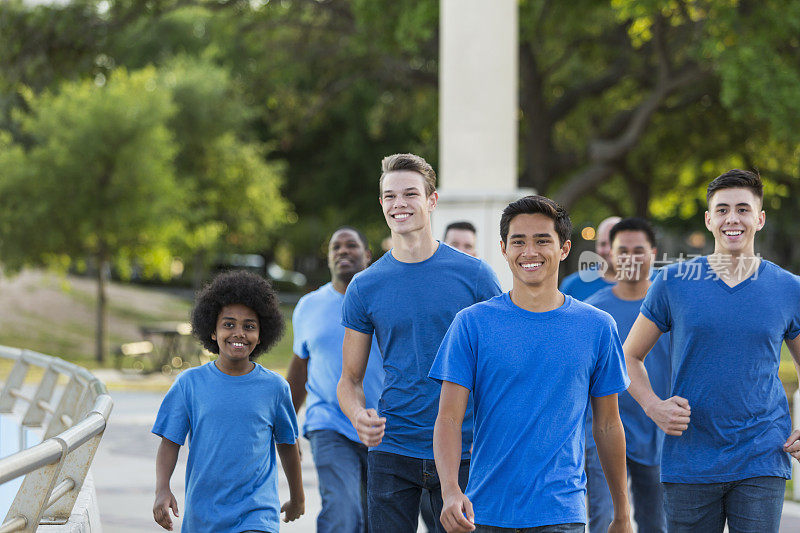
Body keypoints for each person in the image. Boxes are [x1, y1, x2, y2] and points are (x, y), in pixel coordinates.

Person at [431, 195, 632, 533]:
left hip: (561, 512)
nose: (529, 251)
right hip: (485, 512)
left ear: (564, 248)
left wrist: (622, 513)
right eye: (518, 241)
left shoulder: (598, 327)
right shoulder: (472, 324)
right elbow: (449, 418)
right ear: (504, 249)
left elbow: (608, 425)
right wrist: (451, 491)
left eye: (542, 241)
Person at [624, 169, 800, 532]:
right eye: (722, 210)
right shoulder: (673, 282)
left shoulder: (788, 288)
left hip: (761, 454)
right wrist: (653, 406)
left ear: (760, 218)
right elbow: (627, 356)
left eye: (742, 209)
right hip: (689, 458)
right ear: (709, 219)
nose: (732, 219)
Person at [337, 153, 502, 533]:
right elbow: (349, 381)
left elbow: (499, 368)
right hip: (392, 449)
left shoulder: (475, 276)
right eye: (390, 196)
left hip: (466, 449)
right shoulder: (365, 286)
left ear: (431, 200)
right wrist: (358, 415)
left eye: (410, 194)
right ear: (381, 204)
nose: (399, 204)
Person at [152, 270, 304, 532]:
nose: (239, 334)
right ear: (212, 331)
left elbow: (289, 446)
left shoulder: (275, 387)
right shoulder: (189, 384)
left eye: (249, 326)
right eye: (229, 324)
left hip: (257, 514)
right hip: (204, 516)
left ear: (261, 333)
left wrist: (298, 498)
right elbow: (170, 442)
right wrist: (162, 488)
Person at [287, 227, 384, 533]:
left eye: (351, 246)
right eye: (336, 247)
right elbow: (299, 371)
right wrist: (285, 426)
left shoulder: (385, 302)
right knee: (343, 513)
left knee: (378, 520)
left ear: (367, 255)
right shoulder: (308, 307)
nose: (343, 251)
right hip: (328, 423)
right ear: (329, 259)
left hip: (383, 426)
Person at [583, 218, 670, 533]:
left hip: (658, 432)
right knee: (604, 520)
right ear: (611, 255)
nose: (631, 258)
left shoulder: (670, 307)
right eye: (623, 250)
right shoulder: (593, 312)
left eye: (639, 250)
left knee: (655, 523)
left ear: (653, 253)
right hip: (602, 432)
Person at [560, 216, 621, 301]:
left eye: (614, 243)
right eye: (603, 244)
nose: (608, 250)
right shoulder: (573, 285)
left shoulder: (643, 285)